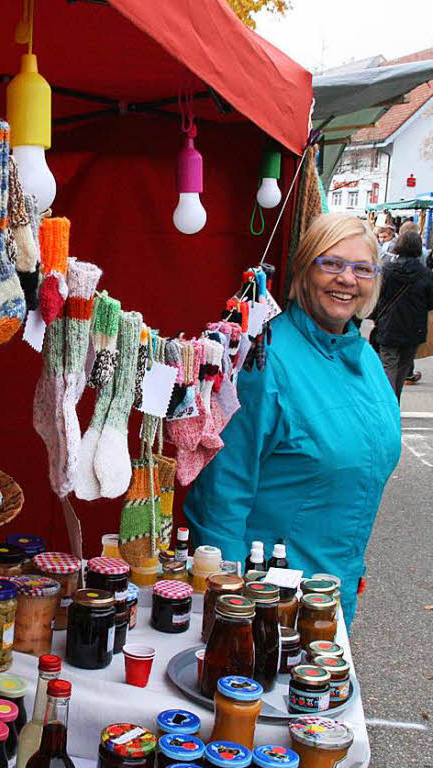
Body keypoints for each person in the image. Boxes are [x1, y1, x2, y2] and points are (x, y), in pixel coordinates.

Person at [184, 213, 401, 628]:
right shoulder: (263, 360)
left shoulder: (365, 357)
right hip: (267, 600)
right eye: (331, 264)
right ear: (304, 270)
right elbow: (222, 494)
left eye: (361, 268)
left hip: (332, 588)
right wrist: (224, 604)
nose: (346, 279)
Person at [371, 230, 433, 398]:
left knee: (388, 365)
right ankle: (394, 402)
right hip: (414, 329)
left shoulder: (387, 270)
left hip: (389, 326)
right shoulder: (425, 274)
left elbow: (377, 297)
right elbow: (430, 303)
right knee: (403, 368)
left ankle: (386, 404)